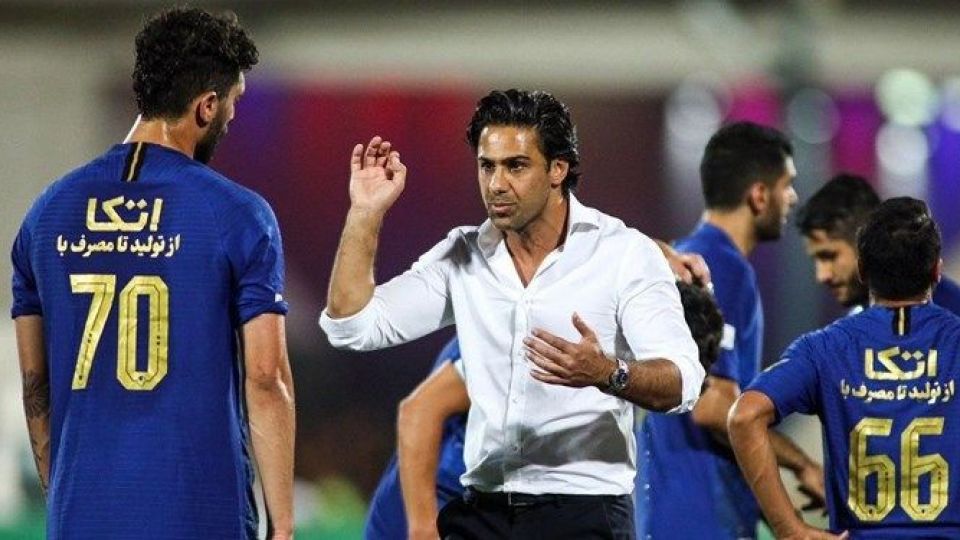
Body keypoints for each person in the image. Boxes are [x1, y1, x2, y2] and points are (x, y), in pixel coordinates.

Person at [320, 89, 704, 538]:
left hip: (583, 513)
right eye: (487, 166)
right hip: (483, 510)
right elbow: (352, 326)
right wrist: (365, 212)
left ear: (558, 169)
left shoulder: (624, 255)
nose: (496, 184)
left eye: (516, 166)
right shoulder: (462, 255)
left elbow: (683, 382)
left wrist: (608, 372)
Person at [10, 8, 295, 538]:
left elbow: (35, 383)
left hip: (82, 516)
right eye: (232, 103)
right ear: (206, 106)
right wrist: (283, 526)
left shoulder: (45, 215)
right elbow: (265, 377)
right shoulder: (238, 214)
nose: (231, 118)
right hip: (198, 515)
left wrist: (64, 502)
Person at [364, 282, 723, 540]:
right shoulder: (553, 337)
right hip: (430, 509)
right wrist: (423, 529)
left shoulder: (615, 372)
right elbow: (420, 410)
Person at [729, 197, 960, 538]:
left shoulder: (825, 348)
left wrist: (790, 529)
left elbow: (744, 416)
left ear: (862, 271)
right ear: (936, 271)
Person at [637, 122, 824, 539]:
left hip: (665, 511)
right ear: (759, 195)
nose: (793, 197)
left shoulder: (682, 257)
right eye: (786, 185)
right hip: (704, 517)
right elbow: (713, 407)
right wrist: (802, 464)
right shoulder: (721, 267)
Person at [796, 173, 960, 314]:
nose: (822, 275)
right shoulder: (855, 324)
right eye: (816, 260)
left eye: (829, 256)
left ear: (866, 242)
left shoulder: (950, 316)